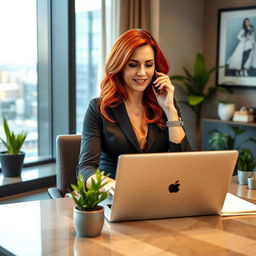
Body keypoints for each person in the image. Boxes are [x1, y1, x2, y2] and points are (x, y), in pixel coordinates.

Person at [76, 29, 191, 194]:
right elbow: (85, 169)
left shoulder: (166, 103)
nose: (142, 73)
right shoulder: (99, 108)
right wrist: (110, 185)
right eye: (133, 64)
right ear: (120, 66)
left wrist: (170, 110)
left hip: (158, 194)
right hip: (113, 197)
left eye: (149, 64)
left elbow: (184, 162)